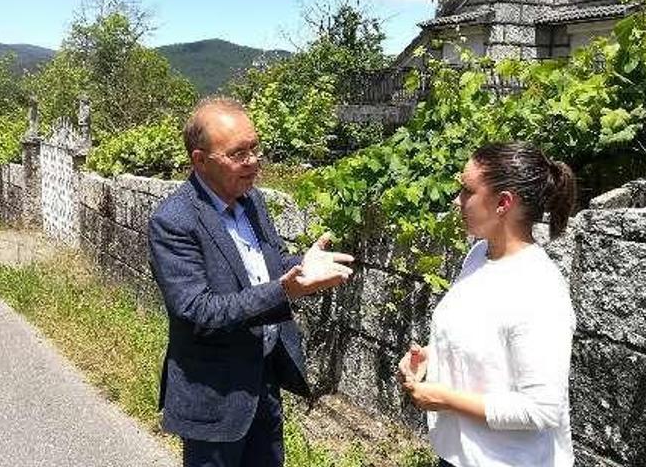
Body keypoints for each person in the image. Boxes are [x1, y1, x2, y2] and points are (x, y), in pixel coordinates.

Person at [148, 96, 355, 467]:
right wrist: (284, 291)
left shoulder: (251, 200)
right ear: (200, 160)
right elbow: (196, 311)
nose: (253, 162)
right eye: (238, 153)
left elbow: (265, 265)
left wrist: (304, 264)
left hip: (262, 382)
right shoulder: (174, 221)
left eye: (255, 148)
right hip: (213, 395)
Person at [397, 142, 578, 467]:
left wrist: (444, 398)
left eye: (467, 191)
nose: (457, 200)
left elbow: (542, 409)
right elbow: (483, 341)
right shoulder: (479, 255)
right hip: (459, 456)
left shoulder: (539, 290)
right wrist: (430, 357)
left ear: (503, 203)